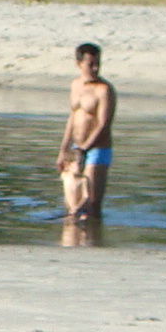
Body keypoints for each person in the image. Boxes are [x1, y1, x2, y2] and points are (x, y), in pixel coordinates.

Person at [56, 41, 116, 223]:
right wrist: (63, 149)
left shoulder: (104, 90)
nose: (96, 68)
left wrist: (84, 149)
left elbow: (104, 123)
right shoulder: (75, 85)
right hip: (76, 147)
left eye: (98, 63)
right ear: (79, 64)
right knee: (73, 202)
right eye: (91, 64)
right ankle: (76, 243)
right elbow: (72, 118)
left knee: (91, 203)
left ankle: (93, 244)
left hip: (97, 149)